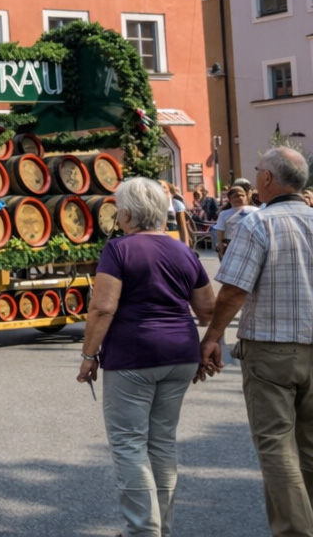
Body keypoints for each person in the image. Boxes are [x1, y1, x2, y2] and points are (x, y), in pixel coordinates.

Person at [77, 177, 215, 537]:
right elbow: (206, 309)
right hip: (180, 353)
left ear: (127, 213)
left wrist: (89, 354)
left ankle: (142, 531)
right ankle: (160, 527)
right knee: (162, 441)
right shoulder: (183, 249)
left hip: (134, 354)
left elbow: (103, 308)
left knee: (128, 442)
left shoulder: (119, 250)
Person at [201, 147, 313, 536]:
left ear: (266, 179)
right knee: (310, 449)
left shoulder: (258, 223)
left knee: (276, 447)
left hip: (272, 349)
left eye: (257, 171)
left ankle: (296, 532)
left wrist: (212, 337)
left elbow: (233, 291)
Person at [212, 186, 256, 258]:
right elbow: (219, 231)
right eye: (237, 196)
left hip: (251, 245)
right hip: (231, 246)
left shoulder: (255, 211)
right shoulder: (224, 214)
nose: (240, 198)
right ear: (230, 199)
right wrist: (221, 247)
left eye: (243, 195)